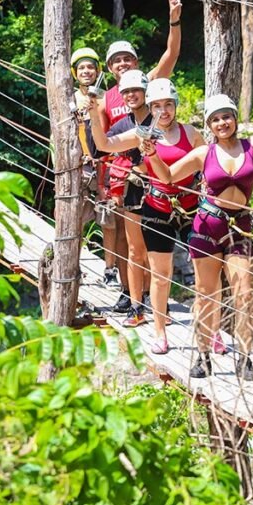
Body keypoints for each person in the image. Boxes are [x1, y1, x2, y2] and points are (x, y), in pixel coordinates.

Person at [146, 73, 253, 381]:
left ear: (234, 119)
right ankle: (202, 355)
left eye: (226, 117)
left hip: (238, 226)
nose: (222, 123)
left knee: (244, 293)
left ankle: (244, 356)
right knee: (205, 293)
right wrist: (151, 155)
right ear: (210, 126)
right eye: (216, 120)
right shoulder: (205, 153)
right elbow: (170, 177)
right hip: (207, 225)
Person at [95, 77, 202, 353]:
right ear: (151, 108)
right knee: (159, 273)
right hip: (158, 207)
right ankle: (159, 332)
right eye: (157, 106)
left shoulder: (191, 133)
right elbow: (105, 144)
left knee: (205, 272)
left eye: (168, 105)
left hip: (190, 205)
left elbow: (207, 166)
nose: (163, 111)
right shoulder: (142, 134)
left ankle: (207, 332)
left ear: (176, 105)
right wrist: (95, 112)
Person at [90, 69, 153, 319]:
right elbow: (100, 147)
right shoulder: (125, 124)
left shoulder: (159, 119)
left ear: (145, 92)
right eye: (126, 92)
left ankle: (149, 296)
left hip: (160, 189)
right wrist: (93, 115)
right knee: (134, 248)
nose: (130, 95)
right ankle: (134, 296)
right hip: (134, 190)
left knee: (156, 249)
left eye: (135, 90)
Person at [70, 47, 120, 290]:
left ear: (98, 70)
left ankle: (110, 270)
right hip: (80, 165)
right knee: (76, 216)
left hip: (105, 165)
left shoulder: (107, 98)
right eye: (81, 68)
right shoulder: (68, 99)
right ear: (74, 73)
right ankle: (72, 265)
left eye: (90, 67)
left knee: (107, 219)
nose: (86, 71)